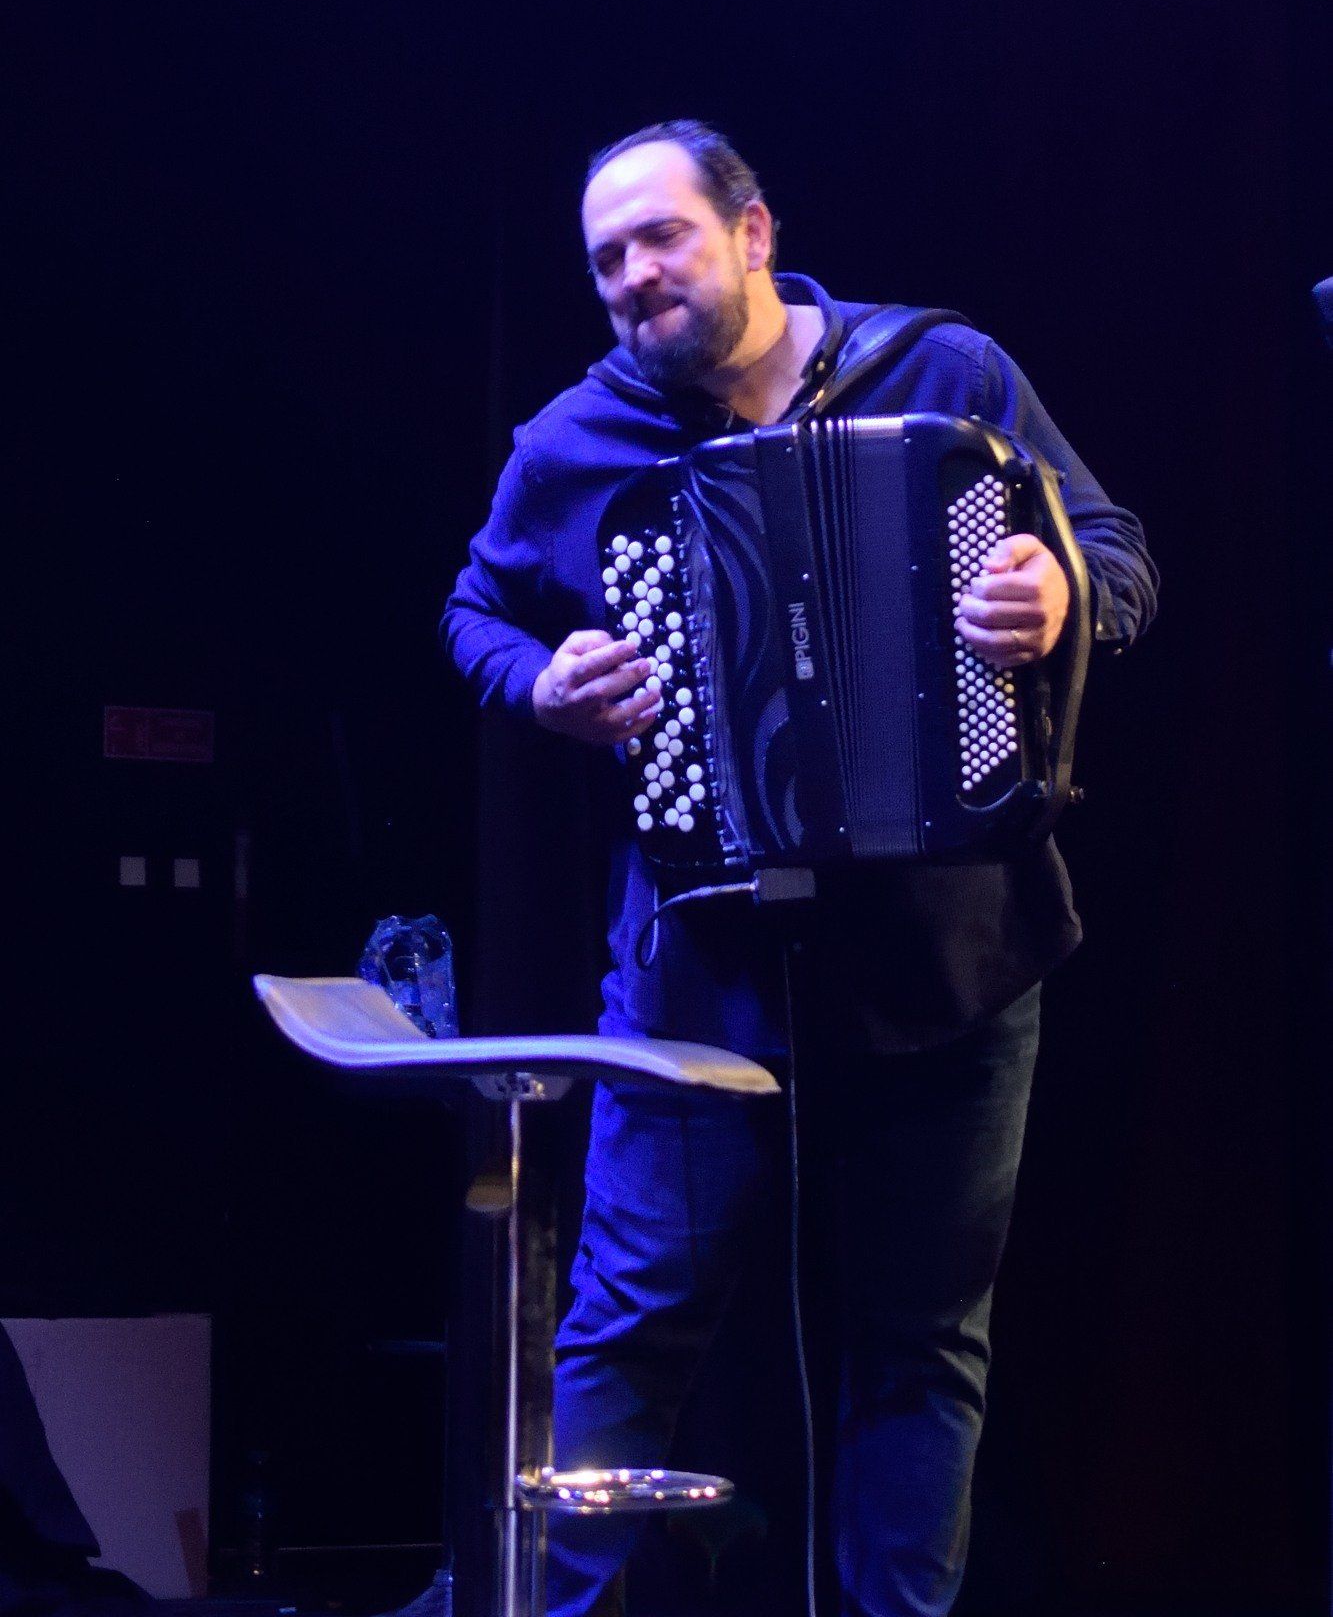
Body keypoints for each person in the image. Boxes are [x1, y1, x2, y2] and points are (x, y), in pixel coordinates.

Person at [443, 120, 1157, 1617]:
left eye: (661, 238)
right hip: (702, 969)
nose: (632, 277)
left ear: (753, 233)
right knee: (628, 1327)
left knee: (921, 1348)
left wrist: (1059, 593)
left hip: (950, 958)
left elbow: (1114, 550)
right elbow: (475, 616)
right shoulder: (575, 441)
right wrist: (541, 686)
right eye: (604, 259)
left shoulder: (945, 374)